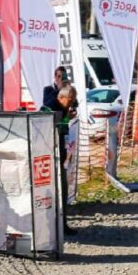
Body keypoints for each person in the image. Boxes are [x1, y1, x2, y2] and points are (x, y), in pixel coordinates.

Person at [46, 86, 78, 236]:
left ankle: (62, 224)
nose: (71, 104)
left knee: (63, 192)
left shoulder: (62, 109)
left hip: (60, 156)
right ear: (62, 97)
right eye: (70, 101)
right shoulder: (50, 108)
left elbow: (62, 126)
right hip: (49, 157)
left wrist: (68, 117)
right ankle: (53, 226)